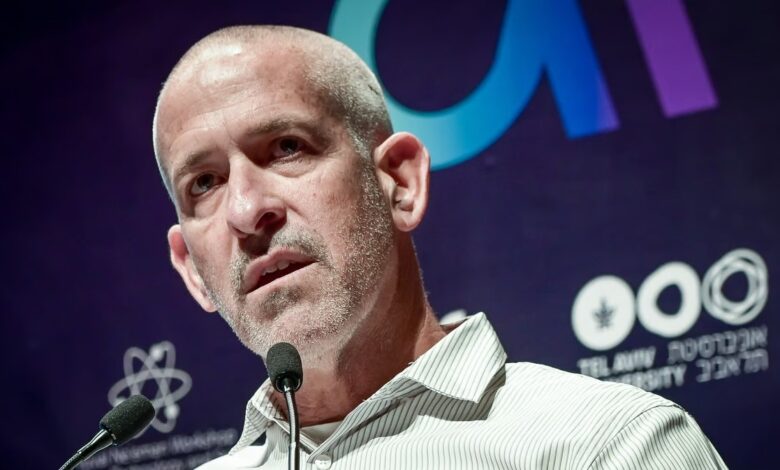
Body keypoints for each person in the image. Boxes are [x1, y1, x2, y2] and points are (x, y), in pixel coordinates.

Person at [152, 25, 727, 469]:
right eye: (203, 183)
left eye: (286, 147)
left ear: (400, 183)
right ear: (191, 269)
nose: (246, 211)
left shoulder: (608, 444)